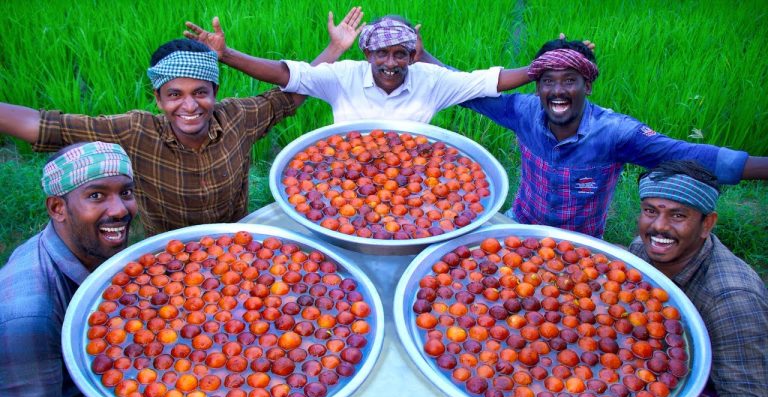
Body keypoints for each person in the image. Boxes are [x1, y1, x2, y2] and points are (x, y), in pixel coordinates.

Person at [0, 8, 363, 236]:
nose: (190, 106)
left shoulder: (239, 117)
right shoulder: (135, 130)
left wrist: (334, 50)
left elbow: (292, 95)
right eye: (175, 95)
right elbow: (45, 125)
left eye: (200, 92)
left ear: (215, 92)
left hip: (233, 235)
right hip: (167, 250)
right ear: (158, 99)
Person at [421, 37, 768, 238]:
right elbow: (466, 90)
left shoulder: (616, 133)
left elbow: (693, 155)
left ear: (586, 86)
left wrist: (762, 166)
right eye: (548, 81)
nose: (558, 90)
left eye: (569, 80)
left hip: (581, 240)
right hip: (521, 222)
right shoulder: (523, 111)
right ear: (537, 86)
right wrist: (423, 58)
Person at [0, 142, 137, 397]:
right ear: (57, 207)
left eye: (125, 192)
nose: (119, 210)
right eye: (96, 195)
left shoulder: (92, 246)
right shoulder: (29, 313)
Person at [183, 14, 532, 123]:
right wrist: (226, 54)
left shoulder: (433, 80)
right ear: (367, 53)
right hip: (346, 179)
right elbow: (286, 74)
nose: (390, 63)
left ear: (414, 56)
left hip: (410, 181)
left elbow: (489, 81)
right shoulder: (343, 76)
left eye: (400, 54)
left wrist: (542, 66)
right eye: (382, 54)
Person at [628, 160, 767, 397]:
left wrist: (644, 394)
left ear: (707, 224)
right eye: (650, 211)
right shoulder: (642, 251)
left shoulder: (732, 297)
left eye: (678, 216)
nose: (659, 227)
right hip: (644, 364)